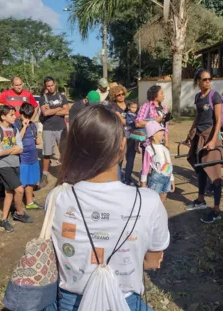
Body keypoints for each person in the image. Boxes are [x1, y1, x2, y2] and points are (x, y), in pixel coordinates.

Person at [46, 105, 170, 311]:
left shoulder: (57, 197)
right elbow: (152, 261)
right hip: (125, 301)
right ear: (122, 145)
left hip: (69, 301)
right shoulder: (149, 201)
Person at [185, 70, 223, 223]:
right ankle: (201, 200)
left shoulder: (214, 96)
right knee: (200, 168)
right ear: (198, 82)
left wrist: (214, 140)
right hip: (199, 136)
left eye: (210, 79)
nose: (208, 81)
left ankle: (217, 210)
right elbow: (198, 116)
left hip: (211, 136)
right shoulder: (198, 97)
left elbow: (219, 120)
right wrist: (191, 132)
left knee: (215, 174)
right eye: (204, 79)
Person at [0, 105, 33, 232]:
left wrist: (9, 150)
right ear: (3, 117)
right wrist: (13, 149)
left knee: (9, 192)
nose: (15, 117)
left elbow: (20, 148)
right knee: (19, 189)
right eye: (11, 115)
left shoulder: (14, 129)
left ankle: (3, 220)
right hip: (3, 165)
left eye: (14, 114)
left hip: (15, 164)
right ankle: (19, 213)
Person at [39, 77, 69, 188]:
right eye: (48, 86)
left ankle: (66, 174)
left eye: (52, 85)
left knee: (64, 153)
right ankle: (44, 175)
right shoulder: (43, 98)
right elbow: (45, 113)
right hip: (48, 128)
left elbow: (66, 110)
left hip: (61, 128)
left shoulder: (62, 97)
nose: (51, 87)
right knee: (47, 153)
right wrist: (58, 109)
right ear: (45, 86)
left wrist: (51, 110)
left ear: (54, 84)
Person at [14, 102, 42, 210]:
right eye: (25, 116)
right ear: (20, 114)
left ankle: (29, 202)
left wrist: (37, 139)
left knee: (31, 181)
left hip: (33, 157)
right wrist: (24, 127)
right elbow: (17, 139)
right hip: (22, 159)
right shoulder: (16, 124)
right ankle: (18, 205)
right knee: (21, 182)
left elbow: (36, 139)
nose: (27, 119)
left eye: (29, 117)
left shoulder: (33, 125)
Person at [141, 121, 175, 203]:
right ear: (152, 135)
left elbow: (169, 164)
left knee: (162, 201)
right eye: (159, 131)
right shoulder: (149, 149)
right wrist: (143, 183)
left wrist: (172, 179)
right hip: (156, 179)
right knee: (154, 201)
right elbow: (145, 167)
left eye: (162, 130)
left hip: (167, 178)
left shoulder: (165, 148)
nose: (162, 132)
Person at [136, 85, 170, 149]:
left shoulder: (164, 109)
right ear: (155, 95)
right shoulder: (146, 106)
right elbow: (138, 123)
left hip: (161, 142)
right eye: (161, 93)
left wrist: (167, 142)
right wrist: (154, 121)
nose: (163, 95)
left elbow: (166, 127)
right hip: (149, 143)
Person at [124, 101, 140, 185]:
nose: (134, 109)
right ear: (129, 107)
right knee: (123, 159)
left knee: (130, 160)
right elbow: (131, 124)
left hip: (133, 139)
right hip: (127, 138)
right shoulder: (127, 115)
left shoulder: (136, 116)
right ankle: (124, 178)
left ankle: (128, 178)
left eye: (136, 107)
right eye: (133, 107)